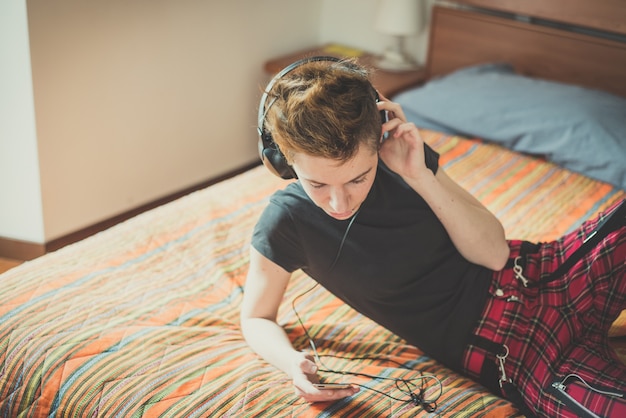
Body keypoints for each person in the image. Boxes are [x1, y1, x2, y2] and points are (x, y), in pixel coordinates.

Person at [240, 57, 626, 418]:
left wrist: (419, 174)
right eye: (318, 183)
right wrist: (292, 362)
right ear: (282, 162)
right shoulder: (285, 222)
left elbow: (494, 254)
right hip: (514, 353)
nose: (339, 202)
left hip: (550, 272)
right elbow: (256, 316)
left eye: (358, 177)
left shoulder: (403, 159)